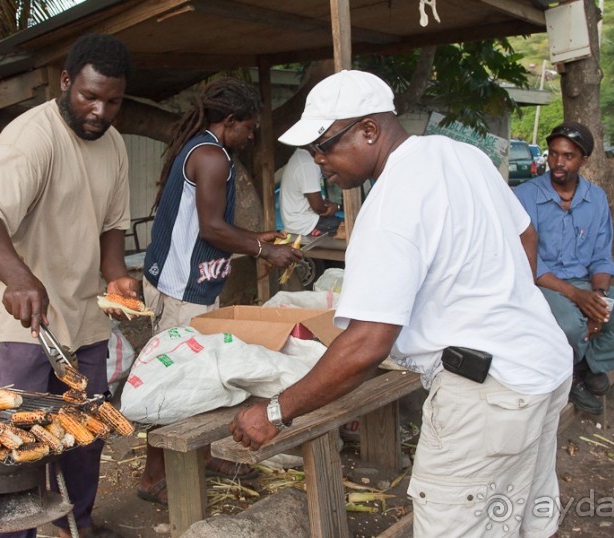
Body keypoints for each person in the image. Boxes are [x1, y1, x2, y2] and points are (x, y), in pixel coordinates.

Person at [229, 70, 574, 537]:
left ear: (369, 130)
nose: (318, 160)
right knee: (517, 520)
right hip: (542, 368)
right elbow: (525, 235)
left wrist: (274, 411)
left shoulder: (389, 205)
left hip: (487, 397)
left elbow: (367, 344)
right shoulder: (461, 155)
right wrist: (497, 304)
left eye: (325, 145)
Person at [0, 34, 135, 538]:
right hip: (22, 318)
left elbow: (111, 226)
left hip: (83, 316)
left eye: (112, 100)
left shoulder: (115, 143)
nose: (100, 111)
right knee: (15, 437)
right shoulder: (31, 137)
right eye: (89, 96)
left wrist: (116, 274)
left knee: (88, 432)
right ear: (66, 82)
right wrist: (18, 278)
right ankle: (15, 534)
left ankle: (74, 524)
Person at [138, 77, 303, 505]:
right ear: (229, 121)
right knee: (173, 379)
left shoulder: (206, 149)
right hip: (180, 288)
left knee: (199, 372)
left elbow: (210, 228)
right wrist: (265, 250)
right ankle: (153, 475)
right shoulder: (212, 156)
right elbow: (212, 227)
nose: (251, 137)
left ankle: (203, 453)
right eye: (248, 127)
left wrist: (257, 237)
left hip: (190, 283)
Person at [513, 122, 614, 415]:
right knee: (571, 324)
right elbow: (528, 262)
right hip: (542, 285)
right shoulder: (526, 195)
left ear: (583, 160)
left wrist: (599, 299)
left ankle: (582, 367)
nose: (558, 162)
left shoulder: (595, 198)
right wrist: (577, 297)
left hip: (584, 283)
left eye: (568, 156)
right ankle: (573, 375)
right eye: (554, 154)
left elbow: (601, 256)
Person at [279, 147, 341, 236]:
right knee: (352, 227)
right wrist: (336, 207)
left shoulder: (300, 157)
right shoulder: (307, 163)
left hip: (298, 223)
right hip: (306, 224)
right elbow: (318, 208)